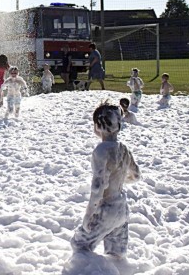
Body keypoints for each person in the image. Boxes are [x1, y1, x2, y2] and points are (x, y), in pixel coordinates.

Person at [71, 101, 141, 258]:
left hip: (106, 209)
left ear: (98, 125)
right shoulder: (123, 149)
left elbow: (98, 187)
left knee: (80, 245)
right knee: (116, 254)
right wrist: (119, 181)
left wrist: (88, 216)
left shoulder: (101, 151)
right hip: (122, 209)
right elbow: (136, 175)